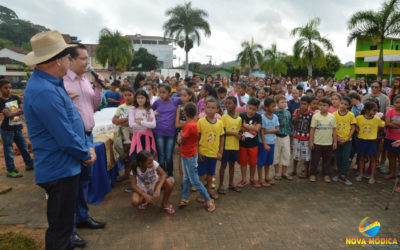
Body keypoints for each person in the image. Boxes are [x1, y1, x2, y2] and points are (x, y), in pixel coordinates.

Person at [23, 30, 95, 250]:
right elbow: (64, 137)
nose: (68, 61)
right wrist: (86, 153)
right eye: (66, 57)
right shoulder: (45, 91)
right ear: (57, 61)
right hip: (60, 169)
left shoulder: (51, 84)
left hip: (64, 166)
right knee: (61, 230)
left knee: (62, 225)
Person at [63, 42, 106, 247]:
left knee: (84, 182)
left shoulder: (86, 80)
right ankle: (69, 230)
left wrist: (98, 89)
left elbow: (94, 106)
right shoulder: (62, 82)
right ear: (70, 60)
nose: (87, 63)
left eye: (87, 59)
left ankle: (83, 216)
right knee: (71, 183)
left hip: (88, 135)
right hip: (73, 137)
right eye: (83, 59)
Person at [177, 102, 215, 212]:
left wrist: (179, 135)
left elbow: (180, 141)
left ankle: (208, 200)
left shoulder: (189, 126)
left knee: (194, 180)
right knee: (186, 178)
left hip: (189, 155)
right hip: (187, 154)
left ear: (184, 113)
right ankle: (184, 198)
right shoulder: (193, 124)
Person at [0, 79, 34, 178]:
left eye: (10, 87)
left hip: (17, 127)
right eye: (5, 88)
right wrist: (17, 111)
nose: (8, 90)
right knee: (9, 150)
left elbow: (22, 109)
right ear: (0, 89)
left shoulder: (15, 97)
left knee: (23, 147)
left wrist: (15, 112)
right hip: (7, 130)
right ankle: (11, 170)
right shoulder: (0, 101)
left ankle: (29, 164)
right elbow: (7, 114)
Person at [129, 150, 175, 215]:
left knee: (169, 182)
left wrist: (158, 189)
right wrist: (144, 194)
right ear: (141, 163)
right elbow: (133, 185)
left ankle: (164, 204)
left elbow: (164, 175)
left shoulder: (153, 163)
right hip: (143, 188)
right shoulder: (135, 169)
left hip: (154, 184)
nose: (152, 163)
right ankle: (146, 200)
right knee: (135, 202)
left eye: (152, 161)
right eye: (149, 163)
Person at [129, 89, 157, 191]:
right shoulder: (133, 109)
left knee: (148, 159)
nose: (140, 100)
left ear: (146, 98)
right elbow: (131, 124)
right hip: (137, 139)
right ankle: (135, 183)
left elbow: (153, 125)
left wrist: (140, 122)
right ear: (136, 99)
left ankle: (149, 182)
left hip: (147, 138)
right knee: (135, 159)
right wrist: (146, 123)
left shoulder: (149, 110)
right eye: (138, 98)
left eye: (142, 97)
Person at [197, 97, 224, 200]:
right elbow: (197, 138)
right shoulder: (200, 121)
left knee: (210, 173)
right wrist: (198, 151)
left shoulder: (220, 123)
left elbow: (222, 137)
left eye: (213, 108)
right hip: (203, 153)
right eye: (208, 107)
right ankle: (202, 193)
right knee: (201, 174)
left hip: (213, 153)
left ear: (217, 109)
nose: (210, 110)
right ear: (204, 108)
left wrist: (220, 151)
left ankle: (209, 190)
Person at [152, 84, 181, 178]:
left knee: (168, 156)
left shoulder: (175, 100)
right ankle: (162, 175)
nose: (161, 94)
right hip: (158, 132)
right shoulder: (157, 102)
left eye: (164, 92)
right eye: (160, 92)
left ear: (169, 93)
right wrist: (154, 115)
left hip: (171, 133)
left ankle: (170, 175)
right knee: (161, 156)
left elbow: (187, 98)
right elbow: (149, 111)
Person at [356, 101, 385, 184]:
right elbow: (354, 124)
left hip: (372, 141)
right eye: (374, 110)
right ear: (367, 110)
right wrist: (358, 131)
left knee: (373, 159)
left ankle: (372, 176)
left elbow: (383, 124)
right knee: (361, 158)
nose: (375, 112)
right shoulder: (359, 118)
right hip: (362, 140)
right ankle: (361, 174)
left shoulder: (376, 119)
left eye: (376, 110)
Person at [309, 97, 337, 183]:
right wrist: (311, 141)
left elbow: (334, 130)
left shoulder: (332, 117)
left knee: (327, 160)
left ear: (329, 107)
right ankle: (313, 174)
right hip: (317, 142)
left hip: (328, 143)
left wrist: (335, 141)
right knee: (315, 160)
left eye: (324, 105)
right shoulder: (315, 116)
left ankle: (326, 175)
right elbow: (312, 129)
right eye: (320, 105)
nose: (322, 107)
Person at [218, 96, 242, 194]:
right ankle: (220, 185)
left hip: (235, 146)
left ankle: (231, 184)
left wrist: (240, 136)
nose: (227, 105)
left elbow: (238, 130)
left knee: (232, 165)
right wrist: (234, 134)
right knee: (223, 165)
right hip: (225, 145)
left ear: (235, 105)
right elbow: (222, 132)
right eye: (226, 103)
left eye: (229, 103)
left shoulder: (239, 119)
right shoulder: (224, 117)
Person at [237, 98, 261, 188]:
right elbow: (239, 127)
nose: (251, 111)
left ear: (257, 109)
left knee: (253, 163)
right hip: (243, 144)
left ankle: (252, 179)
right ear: (247, 106)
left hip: (253, 144)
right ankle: (243, 179)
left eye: (254, 109)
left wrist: (246, 126)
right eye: (250, 108)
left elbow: (257, 129)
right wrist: (250, 128)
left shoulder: (258, 116)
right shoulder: (242, 115)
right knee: (243, 163)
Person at [332, 96, 356, 185]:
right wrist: (337, 138)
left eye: (345, 104)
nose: (343, 105)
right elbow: (333, 128)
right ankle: (339, 174)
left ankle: (343, 175)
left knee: (346, 158)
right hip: (337, 140)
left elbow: (353, 128)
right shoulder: (334, 114)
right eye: (342, 103)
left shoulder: (351, 115)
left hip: (347, 141)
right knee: (338, 157)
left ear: (349, 106)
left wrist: (347, 138)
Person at [113, 88, 134, 182]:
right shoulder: (121, 107)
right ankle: (126, 174)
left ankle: (133, 176)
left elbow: (132, 122)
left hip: (132, 135)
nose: (127, 97)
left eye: (130, 95)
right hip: (121, 135)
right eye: (125, 95)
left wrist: (120, 122)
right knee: (125, 155)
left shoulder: (135, 108)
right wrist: (126, 119)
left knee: (132, 155)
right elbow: (114, 120)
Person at [175, 88, 196, 185]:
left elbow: (195, 123)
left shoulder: (194, 107)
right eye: (181, 95)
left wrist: (184, 123)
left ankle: (191, 179)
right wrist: (187, 123)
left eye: (185, 95)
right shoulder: (179, 107)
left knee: (191, 157)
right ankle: (184, 180)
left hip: (191, 135)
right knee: (181, 157)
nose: (182, 98)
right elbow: (176, 124)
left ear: (190, 96)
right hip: (181, 135)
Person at [258, 97, 280, 186]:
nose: (275, 108)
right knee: (261, 161)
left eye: (275, 106)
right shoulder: (262, 117)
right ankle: (261, 179)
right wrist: (265, 144)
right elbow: (261, 132)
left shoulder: (275, 117)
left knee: (268, 161)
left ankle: (267, 177)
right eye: (272, 106)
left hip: (272, 142)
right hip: (263, 143)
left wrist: (268, 131)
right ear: (266, 107)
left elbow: (277, 129)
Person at [291, 96, 313, 178]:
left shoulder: (311, 114)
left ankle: (306, 172)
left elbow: (312, 127)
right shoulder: (296, 111)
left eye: (305, 104)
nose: (302, 106)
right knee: (295, 155)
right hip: (297, 136)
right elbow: (293, 122)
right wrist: (299, 114)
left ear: (309, 105)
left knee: (306, 156)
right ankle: (294, 170)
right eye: (301, 104)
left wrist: (311, 139)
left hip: (306, 138)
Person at [273, 95, 292, 180]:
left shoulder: (288, 113)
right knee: (276, 155)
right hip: (276, 137)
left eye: (285, 102)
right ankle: (277, 172)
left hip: (286, 136)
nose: (284, 104)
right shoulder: (274, 113)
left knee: (286, 154)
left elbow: (289, 125)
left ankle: (284, 172)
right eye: (282, 102)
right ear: (277, 103)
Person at [383, 95, 400, 180]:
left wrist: (394, 122)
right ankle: (392, 172)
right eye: (397, 102)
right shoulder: (390, 111)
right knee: (391, 156)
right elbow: (387, 123)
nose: (398, 104)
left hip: (399, 139)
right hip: (390, 137)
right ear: (393, 103)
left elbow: (390, 123)